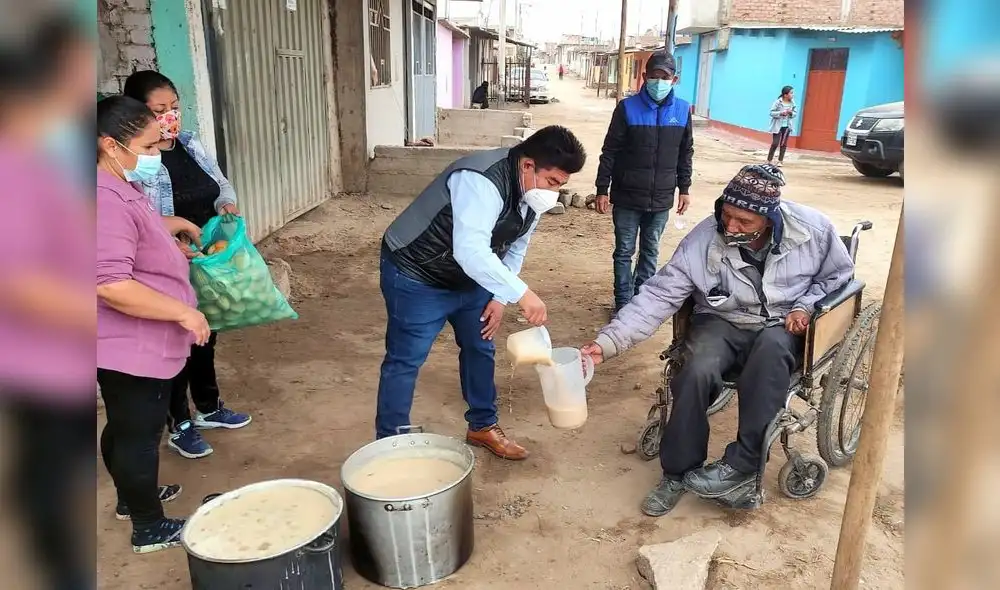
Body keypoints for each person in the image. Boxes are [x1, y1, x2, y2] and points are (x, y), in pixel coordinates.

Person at [581, 164, 854, 517]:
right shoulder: (703, 239)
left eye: (744, 221)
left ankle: (742, 467)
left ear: (769, 217)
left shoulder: (813, 231)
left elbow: (839, 277)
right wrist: (608, 342)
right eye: (727, 215)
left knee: (769, 357)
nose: (731, 226)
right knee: (696, 368)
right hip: (723, 319)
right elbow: (659, 295)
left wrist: (805, 305)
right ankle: (678, 472)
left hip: (780, 324)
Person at [377, 126, 587, 459]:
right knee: (405, 360)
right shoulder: (481, 180)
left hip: (471, 277)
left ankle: (482, 425)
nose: (555, 192)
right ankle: (389, 444)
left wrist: (500, 297)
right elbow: (471, 251)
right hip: (417, 272)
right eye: (553, 182)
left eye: (562, 185)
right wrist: (523, 294)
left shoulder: (533, 195)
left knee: (480, 347)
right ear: (528, 165)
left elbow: (515, 247)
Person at [0, 11, 97, 587]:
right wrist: (97, 315)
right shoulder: (13, 164)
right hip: (38, 356)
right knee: (51, 476)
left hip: (62, 353)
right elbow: (17, 279)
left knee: (57, 468)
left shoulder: (49, 148)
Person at [97, 95, 212, 552]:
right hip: (127, 343)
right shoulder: (102, 197)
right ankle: (148, 526)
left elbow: (135, 238)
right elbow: (109, 284)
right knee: (139, 434)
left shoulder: (117, 185)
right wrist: (185, 310)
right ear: (110, 144)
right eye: (147, 148)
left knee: (126, 427)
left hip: (140, 339)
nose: (154, 156)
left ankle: (132, 497)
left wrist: (170, 244)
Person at [123, 70, 251, 460]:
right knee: (175, 342)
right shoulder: (136, 159)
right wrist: (169, 243)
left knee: (205, 333)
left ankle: (209, 407)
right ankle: (179, 424)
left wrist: (224, 204)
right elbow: (135, 217)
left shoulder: (191, 145)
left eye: (174, 107)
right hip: (163, 264)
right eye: (159, 110)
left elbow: (220, 183)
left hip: (203, 257)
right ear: (136, 113)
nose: (169, 117)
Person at [595, 50, 694, 313]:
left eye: (665, 77)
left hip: (661, 198)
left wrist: (684, 188)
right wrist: (601, 189)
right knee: (624, 251)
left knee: (651, 251)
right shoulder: (627, 108)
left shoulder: (683, 110)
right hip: (627, 196)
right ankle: (622, 304)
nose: (659, 82)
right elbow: (610, 151)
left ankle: (641, 304)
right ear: (644, 77)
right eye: (654, 76)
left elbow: (686, 152)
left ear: (675, 80)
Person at [767, 86, 797, 166]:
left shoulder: (792, 102)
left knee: (783, 144)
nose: (792, 95)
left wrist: (791, 113)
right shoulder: (778, 102)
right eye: (791, 93)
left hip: (787, 126)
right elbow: (771, 113)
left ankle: (780, 161)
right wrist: (781, 113)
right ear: (785, 95)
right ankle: (769, 160)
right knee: (775, 143)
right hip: (777, 126)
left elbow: (795, 113)